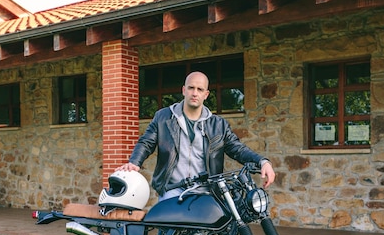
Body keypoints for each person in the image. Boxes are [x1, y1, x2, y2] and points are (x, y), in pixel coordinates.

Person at [117, 71, 275, 201]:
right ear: (183, 90)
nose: (194, 93)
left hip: (206, 192)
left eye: (200, 90)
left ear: (206, 94)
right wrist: (134, 162)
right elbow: (146, 142)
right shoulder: (163, 117)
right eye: (191, 88)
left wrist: (262, 162)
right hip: (171, 190)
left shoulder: (218, 125)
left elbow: (237, 149)